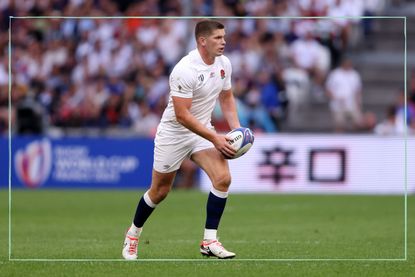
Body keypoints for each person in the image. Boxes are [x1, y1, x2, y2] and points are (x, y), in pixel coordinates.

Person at [122, 20, 242, 260]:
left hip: (202, 131)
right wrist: (215, 138)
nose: (224, 42)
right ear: (202, 41)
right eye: (218, 38)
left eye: (224, 37)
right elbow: (182, 115)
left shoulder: (224, 64)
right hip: (174, 133)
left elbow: (227, 98)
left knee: (223, 178)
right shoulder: (184, 69)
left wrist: (238, 131)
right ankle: (133, 234)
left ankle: (209, 240)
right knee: (159, 191)